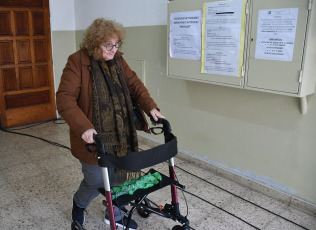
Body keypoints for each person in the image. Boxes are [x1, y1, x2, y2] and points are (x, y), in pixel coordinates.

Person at [56, 18, 164, 230]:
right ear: (94, 44)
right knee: (96, 179)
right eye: (108, 45)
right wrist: (84, 127)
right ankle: (79, 202)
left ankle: (113, 212)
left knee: (119, 176)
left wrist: (151, 107)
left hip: (121, 132)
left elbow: (135, 84)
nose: (114, 49)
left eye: (117, 44)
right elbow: (64, 98)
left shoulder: (118, 60)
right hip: (92, 137)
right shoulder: (77, 62)